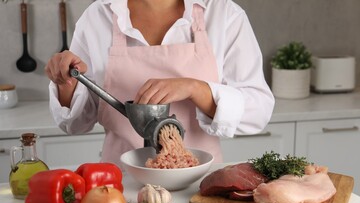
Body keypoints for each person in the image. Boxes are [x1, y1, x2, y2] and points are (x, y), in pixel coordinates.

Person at [45, 0, 275, 165]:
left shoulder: (224, 14)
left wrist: (196, 89)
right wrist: (65, 80)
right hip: (119, 184)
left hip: (199, 184)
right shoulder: (97, 17)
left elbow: (258, 111)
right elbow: (75, 124)